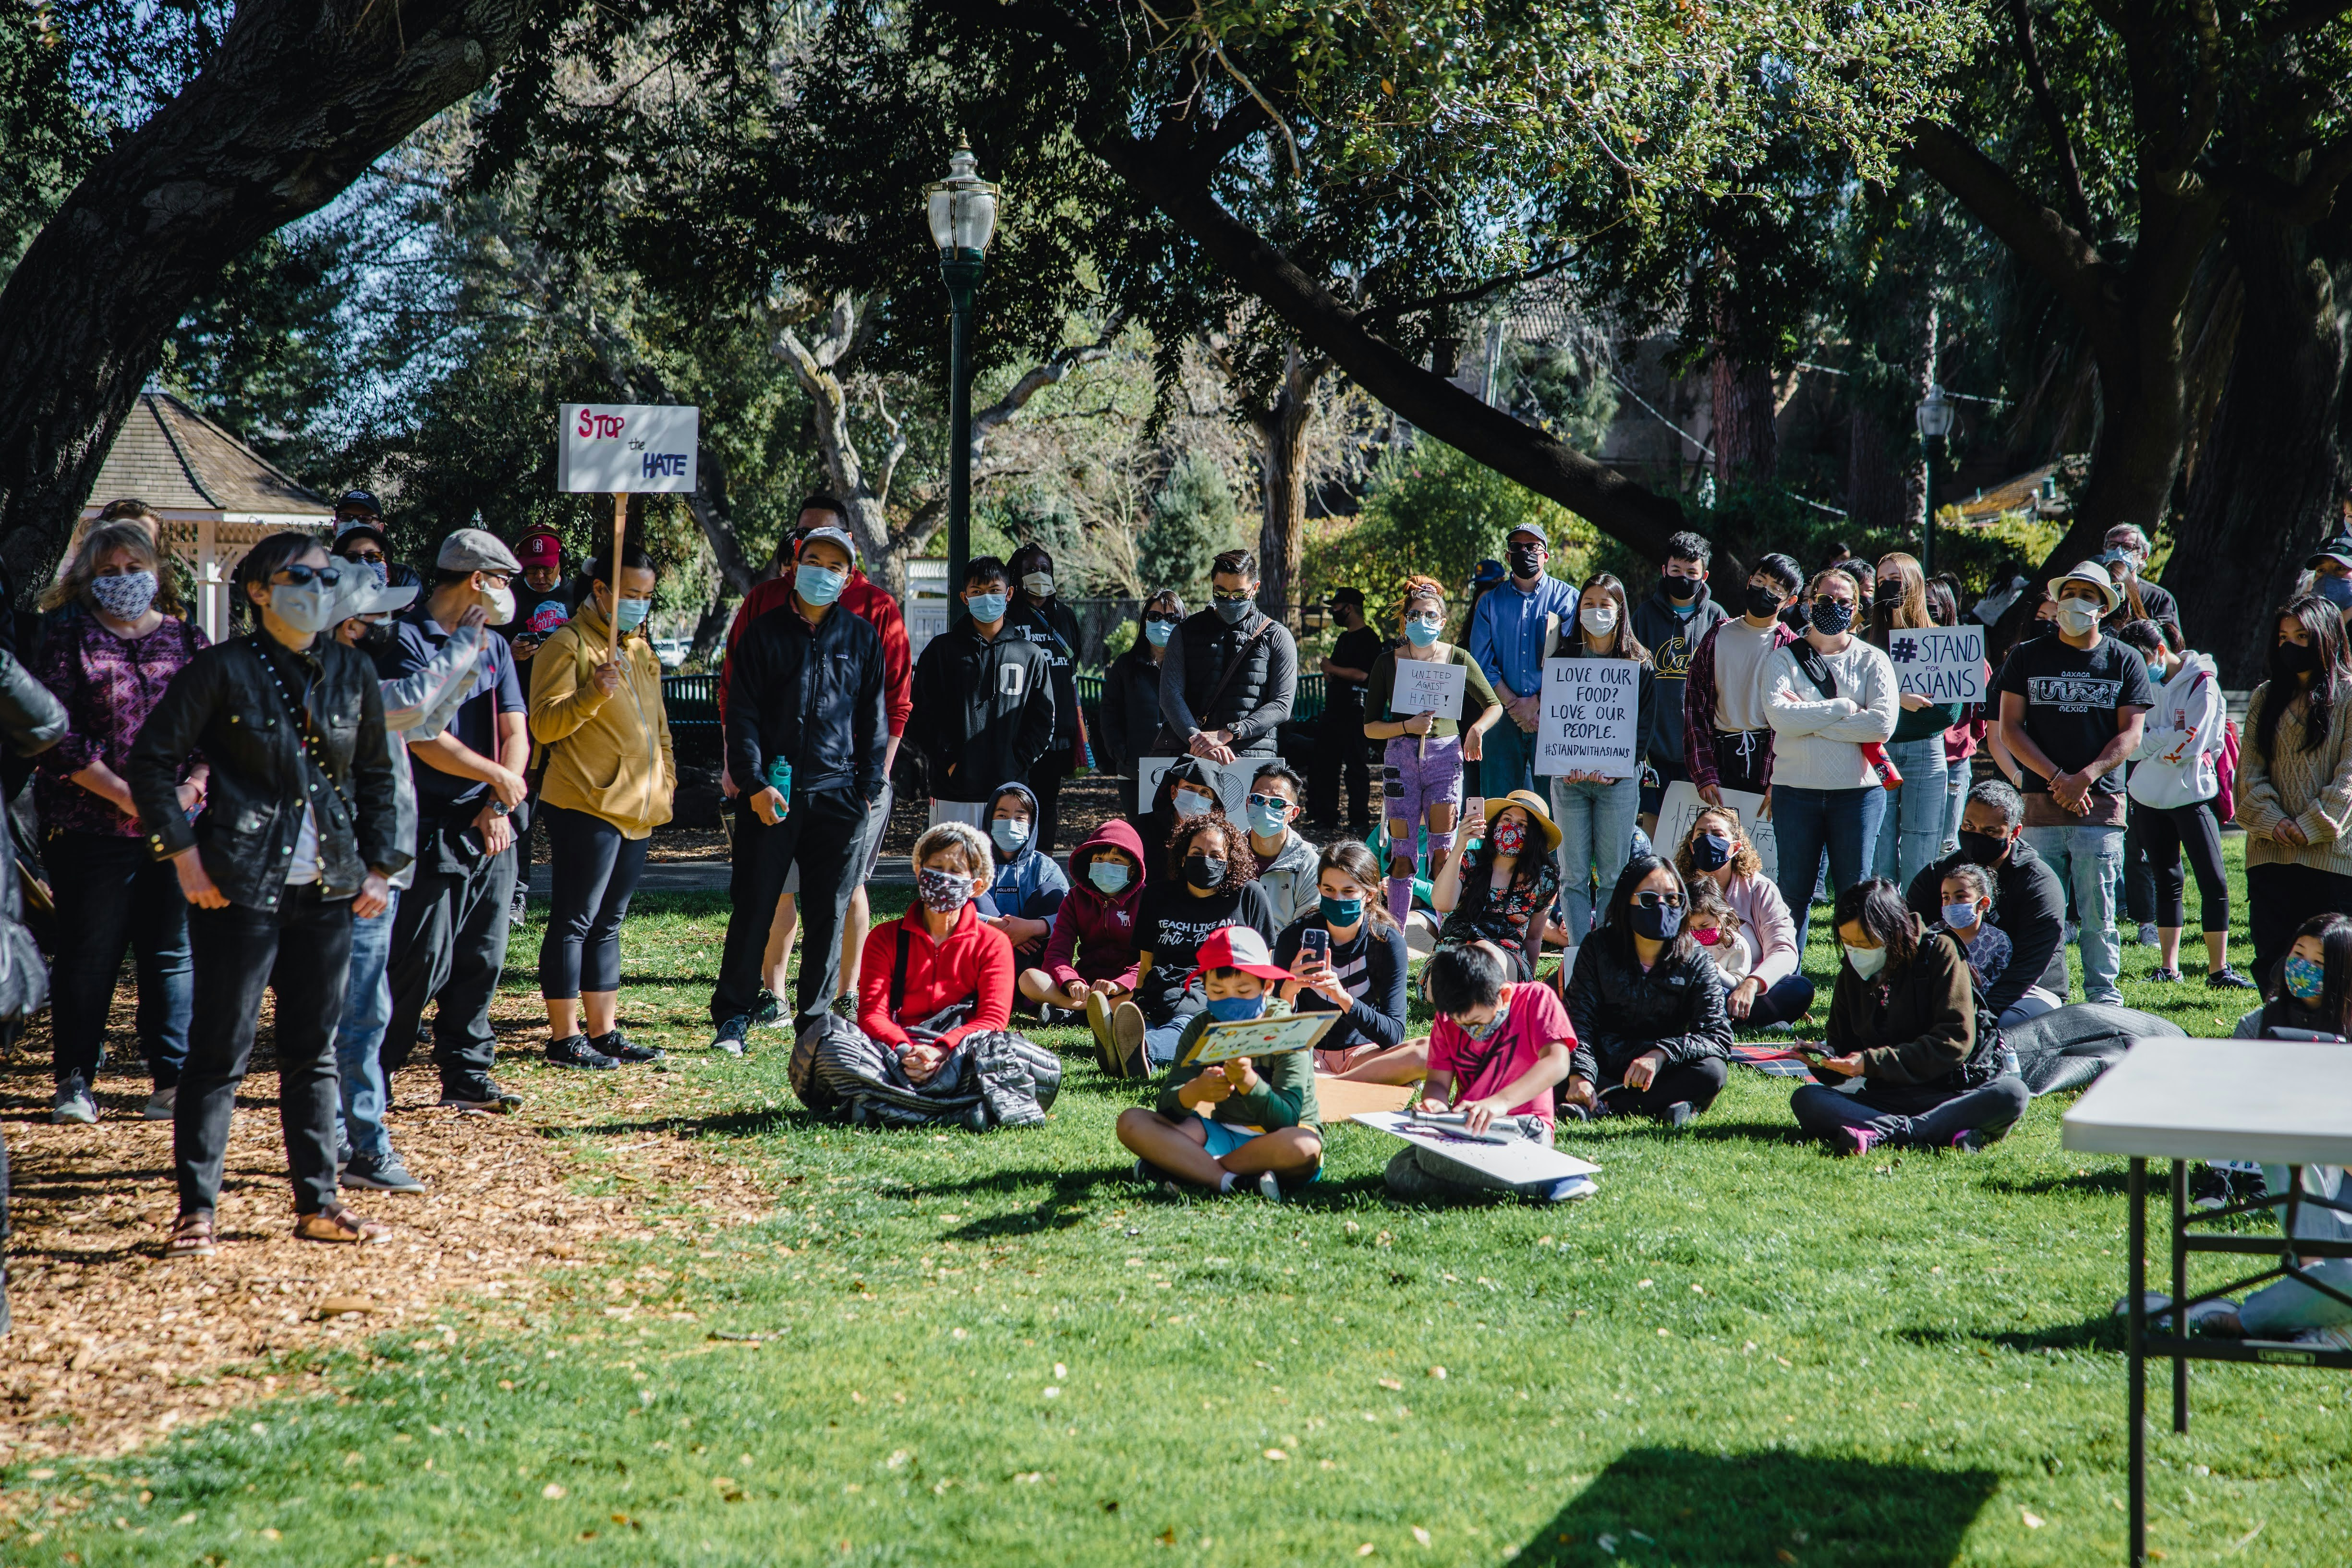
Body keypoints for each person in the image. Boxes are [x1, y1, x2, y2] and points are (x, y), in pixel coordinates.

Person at [127, 531, 400, 1256]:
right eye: (298, 575)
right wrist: (183, 856)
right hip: (239, 888)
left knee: (313, 1051)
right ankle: (198, 1210)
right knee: (220, 1051)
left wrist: (380, 867)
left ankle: (318, 1203)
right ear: (258, 590)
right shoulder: (221, 670)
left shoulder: (351, 671)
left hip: (329, 889)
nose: (315, 586)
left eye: (326, 575)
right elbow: (151, 762)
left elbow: (377, 777)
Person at [33, 521, 206, 1125]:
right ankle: (75, 1081)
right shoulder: (68, 639)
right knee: (90, 953)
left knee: (171, 953)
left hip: (178, 825)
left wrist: (193, 787)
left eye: (135, 567)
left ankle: (171, 1081)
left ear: (158, 571)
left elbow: (220, 723)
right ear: (87, 579)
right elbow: (55, 734)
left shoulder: (188, 640)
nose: (124, 580)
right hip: (89, 827)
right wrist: (126, 795)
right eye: (109, 572)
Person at [326, 576, 485, 1195]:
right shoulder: (332, 684)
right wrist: (465, 645)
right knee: (357, 1015)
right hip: (351, 877)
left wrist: (462, 669)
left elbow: (422, 720)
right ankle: (355, 1146)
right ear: (342, 626)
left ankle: (348, 1141)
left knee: (364, 1012)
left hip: (376, 873)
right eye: (367, 617)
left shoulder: (355, 677)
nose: (378, 628)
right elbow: (416, 701)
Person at [726, 506, 912, 1033]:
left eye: (834, 564)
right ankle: (736, 1015)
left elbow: (878, 718)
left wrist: (867, 790)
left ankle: (816, 1019)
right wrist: (752, 779)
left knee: (829, 910)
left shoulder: (864, 633)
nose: (821, 570)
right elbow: (740, 710)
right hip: (771, 795)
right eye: (812, 558)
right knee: (757, 903)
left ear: (848, 575)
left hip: (840, 797)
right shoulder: (763, 628)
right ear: (794, 562)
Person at [378, 528, 533, 1112]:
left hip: (492, 821)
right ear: (477, 580)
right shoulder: (405, 640)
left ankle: (466, 1075)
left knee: (483, 955)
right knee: (419, 958)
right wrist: (496, 779)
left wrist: (498, 802)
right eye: (502, 581)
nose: (507, 594)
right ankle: (375, 1073)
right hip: (429, 823)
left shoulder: (492, 644)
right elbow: (422, 737)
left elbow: (515, 728)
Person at [528, 545, 676, 1069]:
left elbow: (658, 728)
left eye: (646, 595)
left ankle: (603, 1031)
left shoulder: (639, 650)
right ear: (600, 591)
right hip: (584, 803)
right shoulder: (565, 645)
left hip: (638, 810)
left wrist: (667, 780)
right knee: (574, 920)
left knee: (609, 922)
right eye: (630, 594)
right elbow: (542, 725)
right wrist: (591, 692)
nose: (639, 604)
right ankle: (563, 1037)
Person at [1995, 562, 2155, 1005]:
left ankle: (2104, 998)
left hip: (2099, 805)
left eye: (2087, 595)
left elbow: (2131, 734)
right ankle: (2043, 994)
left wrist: (2086, 776)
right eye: (2069, 593)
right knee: (2040, 910)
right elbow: (2010, 728)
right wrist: (2058, 778)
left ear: (2103, 607)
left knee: (2098, 912)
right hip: (2039, 806)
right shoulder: (2026, 656)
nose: (2075, 602)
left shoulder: (2126, 660)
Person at [1789, 878, 2030, 1156]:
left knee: (2011, 1094)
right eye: (1848, 943)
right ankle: (1937, 1133)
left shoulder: (1940, 951)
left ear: (1893, 933)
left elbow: (1954, 1041)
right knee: (1807, 1099)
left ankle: (1882, 1133)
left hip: (1952, 1094)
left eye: (1865, 943)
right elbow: (1843, 1048)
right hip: (1884, 1099)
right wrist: (1823, 1060)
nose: (1856, 953)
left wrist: (1870, 1062)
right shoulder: (1852, 972)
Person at [1115, 927, 1321, 1200]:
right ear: (1205, 987)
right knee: (1131, 1121)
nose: (1230, 999)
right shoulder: (1202, 1027)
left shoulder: (1288, 1029)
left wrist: (1249, 1083)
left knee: (1304, 1147)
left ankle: (1183, 1165)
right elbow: (1167, 1106)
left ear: (1267, 987)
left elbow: (1286, 1120)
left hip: (1280, 1139)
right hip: (1221, 1133)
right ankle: (1228, 1181)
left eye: (1244, 990)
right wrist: (1194, 1092)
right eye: (1217, 991)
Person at [1381, 941, 1581, 1203]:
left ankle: (1547, 1178)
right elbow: (1438, 1082)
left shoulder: (1536, 999)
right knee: (1401, 1167)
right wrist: (1434, 1106)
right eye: (1460, 1024)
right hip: (1467, 1128)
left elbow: (1558, 1063)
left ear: (1505, 995)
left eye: (1476, 1022)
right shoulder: (1447, 1018)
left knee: (1427, 1160)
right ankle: (1531, 1182)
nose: (1469, 1031)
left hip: (1524, 1125)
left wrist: (1499, 1103)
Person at [2112, 618, 2253, 989]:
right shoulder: (2139, 682)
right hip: (2147, 797)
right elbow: (2129, 743)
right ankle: (2168, 967)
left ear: (2160, 651)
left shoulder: (2202, 683)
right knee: (2167, 880)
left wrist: (2152, 741)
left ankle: (2218, 970)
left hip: (2192, 796)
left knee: (2214, 881)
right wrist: (2161, 740)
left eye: (2140, 658)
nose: (2136, 669)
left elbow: (2190, 746)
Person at [1764, 565, 1899, 948]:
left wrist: (1810, 715)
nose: (1834, 607)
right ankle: (1787, 982)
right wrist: (1845, 707)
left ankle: (1856, 985)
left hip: (1857, 796)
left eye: (1844, 602)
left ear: (1857, 608)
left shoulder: (1873, 660)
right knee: (1793, 894)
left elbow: (1881, 726)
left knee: (1855, 896)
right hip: (1795, 792)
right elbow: (1779, 718)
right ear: (1809, 603)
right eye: (1826, 599)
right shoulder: (1783, 660)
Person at [1364, 575, 1503, 924]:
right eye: (1414, 616)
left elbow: (1494, 704)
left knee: (1443, 849)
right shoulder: (1387, 662)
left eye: (1430, 616)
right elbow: (1369, 727)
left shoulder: (1458, 658)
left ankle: (1447, 932)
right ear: (1404, 620)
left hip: (1445, 758)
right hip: (1400, 759)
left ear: (1442, 622)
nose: (1421, 622)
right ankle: (1394, 935)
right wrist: (1406, 727)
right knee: (1402, 854)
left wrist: (1477, 729)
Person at [1561, 854, 1733, 1125]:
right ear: (1626, 902)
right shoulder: (1598, 947)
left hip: (1663, 1068)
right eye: (1649, 900)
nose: (1662, 907)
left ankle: (1603, 1104)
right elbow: (1578, 1020)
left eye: (1673, 899)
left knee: (1712, 1071)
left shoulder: (1696, 959)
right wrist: (1580, 1075)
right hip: (1603, 1062)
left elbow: (1718, 1036)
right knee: (1548, 1061)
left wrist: (1661, 1054)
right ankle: (1667, 1107)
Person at [1106, 809, 1279, 1078]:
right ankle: (1129, 1047)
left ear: (1230, 860)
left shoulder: (1249, 895)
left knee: (1189, 1024)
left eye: (1216, 856)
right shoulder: (1157, 895)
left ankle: (1140, 1048)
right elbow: (1147, 961)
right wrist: (1139, 997)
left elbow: (1265, 962)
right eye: (1197, 853)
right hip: (1162, 988)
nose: (1205, 861)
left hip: (1216, 990)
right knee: (1153, 1022)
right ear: (1182, 856)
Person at [837, 822, 1013, 1082]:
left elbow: (992, 1019)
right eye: (936, 868)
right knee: (829, 1042)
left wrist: (942, 1050)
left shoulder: (993, 943)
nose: (944, 878)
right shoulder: (884, 938)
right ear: (919, 872)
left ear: (976, 886)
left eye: (955, 871)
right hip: (894, 1050)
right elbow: (872, 1013)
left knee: (1011, 1056)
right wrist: (906, 1051)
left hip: (963, 1051)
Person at [2235, 593, 2352, 981]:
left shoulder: (2349, 696)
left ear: (2326, 637)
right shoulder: (2264, 697)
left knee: (2331, 967)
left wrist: (2312, 823)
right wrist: (2274, 821)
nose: (2291, 645)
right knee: (2272, 959)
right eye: (2284, 637)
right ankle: (2275, 1034)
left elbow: (2350, 775)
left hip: (2331, 859)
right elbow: (2248, 775)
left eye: (2302, 636)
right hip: (2270, 855)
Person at [1905, 778, 2072, 1026]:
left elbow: (2030, 965)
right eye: (1969, 826)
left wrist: (1984, 1011)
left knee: (2004, 1027)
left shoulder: (2038, 883)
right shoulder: (1939, 874)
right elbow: (1909, 935)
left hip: (2028, 990)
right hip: (1948, 980)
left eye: (1990, 831)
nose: (1976, 837)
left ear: (2014, 833)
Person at [908, 555, 1055, 830]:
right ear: (965, 598)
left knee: (1007, 870)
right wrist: (950, 763)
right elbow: (921, 717)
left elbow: (1043, 721)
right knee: (953, 870)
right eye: (977, 592)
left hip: (1011, 794)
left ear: (1009, 594)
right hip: (952, 794)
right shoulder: (941, 652)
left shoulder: (1030, 655)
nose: (986, 598)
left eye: (994, 590)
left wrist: (1015, 764)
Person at [1547, 571, 1651, 941]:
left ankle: (1607, 951)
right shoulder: (1563, 658)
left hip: (1618, 785)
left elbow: (1644, 729)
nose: (1595, 611)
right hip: (1569, 783)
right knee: (1572, 875)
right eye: (1588, 604)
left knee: (1613, 874)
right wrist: (1562, 763)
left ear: (1620, 610)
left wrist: (1619, 770)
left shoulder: (1640, 663)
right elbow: (1556, 721)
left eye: (1604, 604)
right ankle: (1578, 952)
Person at [1272, 842, 1413, 1081]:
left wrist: (1343, 998)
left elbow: (1395, 1035)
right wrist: (1289, 990)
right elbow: (1273, 1029)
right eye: (1328, 890)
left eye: (1348, 891)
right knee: (1266, 1060)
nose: (1337, 899)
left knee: (1422, 1052)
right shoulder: (1293, 937)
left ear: (1369, 895)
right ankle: (1344, 1084)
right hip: (1306, 1051)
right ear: (1318, 889)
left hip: (1363, 1053)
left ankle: (1324, 1082)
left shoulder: (1387, 942)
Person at [1868, 552, 1962, 893]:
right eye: (1881, 581)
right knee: (1878, 840)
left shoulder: (1942, 640)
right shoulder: (1867, 639)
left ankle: (1915, 920)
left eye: (1896, 577)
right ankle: (1881, 917)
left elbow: (1945, 714)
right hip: (1877, 751)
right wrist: (1900, 698)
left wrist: (1884, 704)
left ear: (1915, 582)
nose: (1887, 585)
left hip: (1927, 753)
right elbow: (1856, 700)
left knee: (1922, 842)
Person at [1152, 547, 1297, 765]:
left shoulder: (1277, 636)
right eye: (1220, 592)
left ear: (1255, 588)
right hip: (1193, 757)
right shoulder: (1185, 632)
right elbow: (1170, 695)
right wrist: (1199, 742)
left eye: (1239, 594)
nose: (1230, 600)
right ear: (1211, 586)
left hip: (1253, 758)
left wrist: (1231, 732)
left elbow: (1282, 705)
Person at [1466, 522, 1578, 801]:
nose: (1525, 552)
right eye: (1517, 548)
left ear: (1546, 556)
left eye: (1532, 547)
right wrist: (1515, 706)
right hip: (1502, 719)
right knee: (1498, 806)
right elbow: (1481, 662)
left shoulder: (1569, 599)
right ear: (1508, 556)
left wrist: (1537, 702)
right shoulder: (1489, 603)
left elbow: (1574, 658)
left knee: (1554, 806)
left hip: (1553, 717)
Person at [1021, 817, 1148, 1064]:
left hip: (1124, 990)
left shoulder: (1147, 901)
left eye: (1116, 860)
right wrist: (1070, 981)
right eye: (1099, 859)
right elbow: (1057, 952)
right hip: (1083, 987)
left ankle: (1070, 1012)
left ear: (1133, 868)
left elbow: (1147, 960)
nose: (1105, 866)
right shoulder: (1074, 898)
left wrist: (1119, 985)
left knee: (1146, 992)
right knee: (1029, 979)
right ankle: (1089, 1011)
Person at [1673, 806, 1813, 1026]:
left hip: (1750, 991)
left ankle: (1721, 1015)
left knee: (1799, 989)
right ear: (1692, 846)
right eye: (1701, 835)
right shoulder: (1677, 891)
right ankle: (1729, 1015)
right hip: (1692, 985)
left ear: (1736, 847)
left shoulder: (1760, 889)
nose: (1708, 841)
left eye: (1717, 835)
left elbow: (1784, 951)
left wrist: (1752, 984)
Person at [1683, 551, 1802, 802]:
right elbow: (1695, 704)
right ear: (1749, 581)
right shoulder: (1719, 634)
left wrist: (1780, 778)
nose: (1764, 590)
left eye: (1776, 589)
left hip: (1769, 758)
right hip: (1720, 755)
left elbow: (1797, 721)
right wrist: (1704, 771)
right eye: (1760, 581)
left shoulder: (1792, 647)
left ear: (1790, 601)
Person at [1629, 531, 1729, 826]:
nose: (1683, 577)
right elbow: (1630, 680)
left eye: (1691, 572)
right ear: (1664, 570)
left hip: (1702, 749)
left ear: (1705, 575)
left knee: (1699, 828)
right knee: (1653, 828)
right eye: (1676, 570)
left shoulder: (1718, 618)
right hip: (1654, 749)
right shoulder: (1644, 617)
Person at [1432, 790, 1564, 983]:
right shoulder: (1468, 861)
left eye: (1522, 825)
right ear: (1495, 824)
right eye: (1506, 819)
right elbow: (1442, 904)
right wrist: (1460, 845)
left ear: (1534, 836)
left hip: (1506, 956)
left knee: (1485, 955)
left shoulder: (1543, 879)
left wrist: (1528, 987)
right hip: (1453, 951)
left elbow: (1534, 937)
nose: (1511, 828)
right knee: (1459, 968)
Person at [1003, 543, 1085, 853]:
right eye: (1030, 570)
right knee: (1015, 800)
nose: (1039, 575)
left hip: (1057, 730)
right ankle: (1013, 863)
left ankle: (1042, 862)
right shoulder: (1007, 615)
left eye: (1045, 569)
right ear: (1016, 576)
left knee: (1047, 803)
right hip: (1017, 731)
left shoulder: (1065, 616)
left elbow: (1074, 660)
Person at [1935, 862, 2060, 1019]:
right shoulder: (1934, 934)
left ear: (1983, 903)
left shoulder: (1997, 941)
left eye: (1960, 897)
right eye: (1946, 897)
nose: (1951, 904)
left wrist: (1979, 984)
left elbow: (2003, 990)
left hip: (1979, 1008)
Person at [1101, 592, 1183, 818]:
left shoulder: (1192, 668)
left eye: (1172, 618)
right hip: (1133, 772)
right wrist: (1122, 753)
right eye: (1155, 616)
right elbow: (1109, 713)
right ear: (1145, 620)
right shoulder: (1125, 665)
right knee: (1142, 839)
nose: (1163, 623)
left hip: (1181, 773)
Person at [978, 781, 1069, 982]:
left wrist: (1031, 928)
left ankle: (1017, 984)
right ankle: (1003, 983)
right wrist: (1000, 927)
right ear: (989, 819)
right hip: (984, 954)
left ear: (1032, 824)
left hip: (1030, 962)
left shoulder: (1044, 867)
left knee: (1051, 892)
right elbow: (948, 907)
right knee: (974, 891)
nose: (1010, 823)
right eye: (1002, 816)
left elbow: (1071, 913)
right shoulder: (972, 863)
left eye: (1020, 818)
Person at [1309, 586, 1380, 832]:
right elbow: (1341, 672)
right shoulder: (1343, 638)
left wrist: (1332, 668)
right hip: (1334, 712)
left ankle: (1359, 821)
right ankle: (1327, 817)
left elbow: (1362, 674)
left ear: (1349, 608)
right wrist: (1332, 674)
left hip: (1354, 713)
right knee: (1326, 765)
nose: (1334, 612)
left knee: (1356, 767)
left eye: (1337, 607)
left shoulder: (1369, 638)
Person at [1240, 761, 1319, 928]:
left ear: (1293, 814)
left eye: (1278, 803)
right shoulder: (1228, 851)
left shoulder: (1308, 863)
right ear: (1248, 804)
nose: (1266, 807)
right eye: (1258, 799)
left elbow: (1306, 926)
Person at [501, 528, 577, 660]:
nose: (540, 576)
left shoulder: (579, 594)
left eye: (547, 568)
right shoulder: (505, 597)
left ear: (562, 562)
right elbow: (487, 653)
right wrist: (509, 653)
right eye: (532, 569)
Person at [2098, 525, 2180, 632]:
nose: (2118, 551)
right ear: (2105, 551)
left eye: (2128, 547)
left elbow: (2170, 642)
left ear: (2143, 556)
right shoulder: (2094, 589)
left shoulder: (2159, 598)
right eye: (2113, 545)